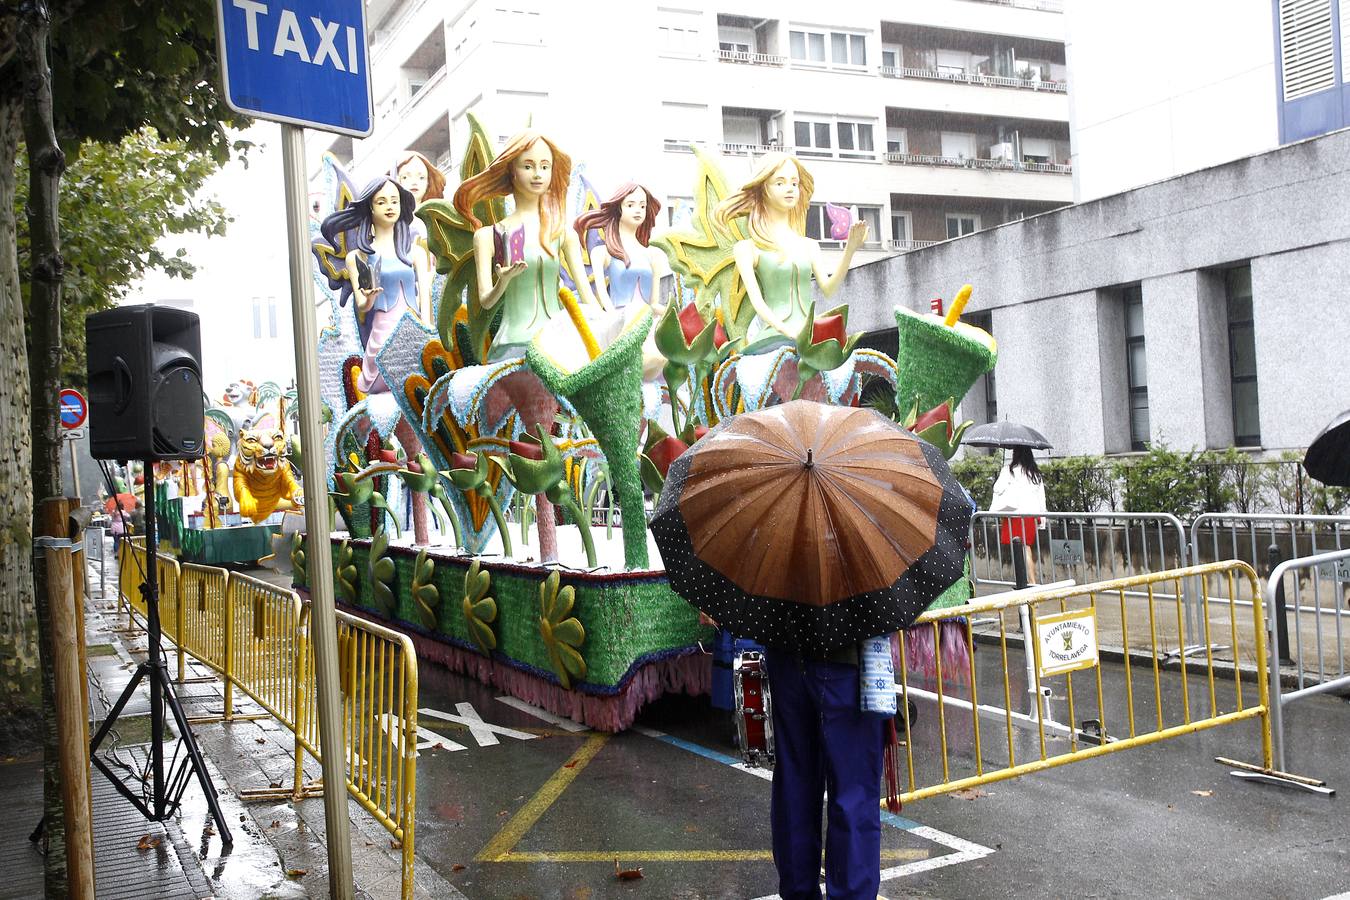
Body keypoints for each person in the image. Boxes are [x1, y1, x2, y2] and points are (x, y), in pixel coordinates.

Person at [763, 643, 886, 900]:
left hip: (786, 651)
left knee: (795, 788)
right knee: (854, 795)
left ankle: (798, 892)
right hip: (845, 657)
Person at [714, 152, 867, 355]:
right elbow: (758, 303)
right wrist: (786, 331)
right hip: (773, 338)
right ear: (763, 189)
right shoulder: (747, 248)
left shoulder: (810, 245)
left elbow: (829, 289)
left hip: (810, 337)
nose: (790, 189)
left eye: (794, 183)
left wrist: (850, 249)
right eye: (780, 183)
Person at [991, 445, 1047, 582]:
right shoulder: (1034, 473)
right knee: (1026, 548)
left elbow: (997, 488)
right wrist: (1042, 521)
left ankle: (1030, 582)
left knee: (1020, 550)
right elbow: (1041, 498)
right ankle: (1029, 582)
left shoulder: (1008, 470)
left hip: (1014, 515)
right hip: (1031, 516)